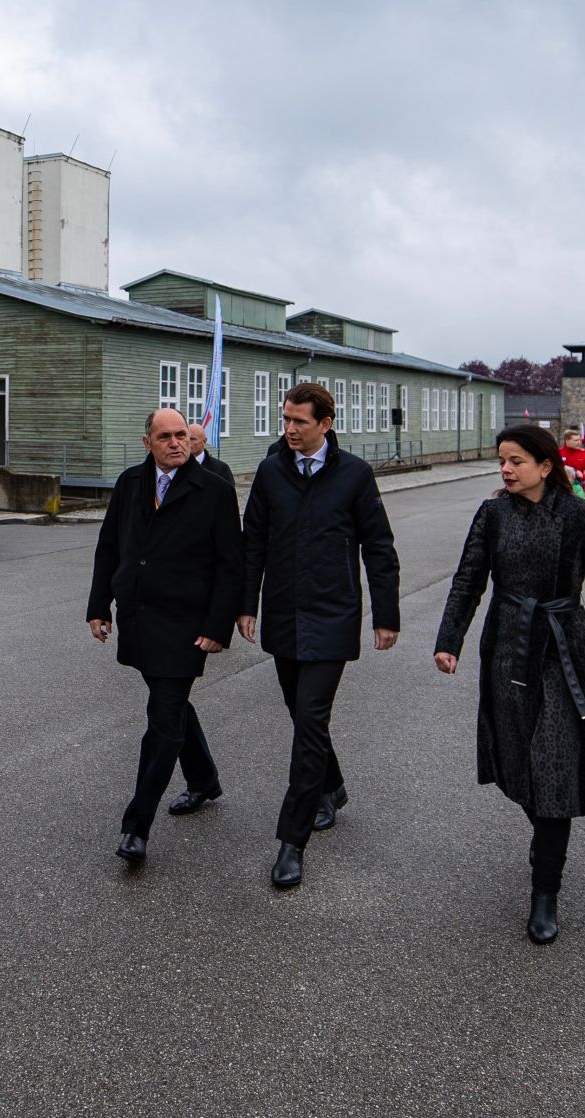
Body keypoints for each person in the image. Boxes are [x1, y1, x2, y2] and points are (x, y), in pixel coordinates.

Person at [433, 425, 585, 945]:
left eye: (516, 461)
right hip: (508, 647)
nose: (506, 469)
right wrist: (449, 639)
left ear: (545, 466)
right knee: (517, 757)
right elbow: (468, 579)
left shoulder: (582, 518)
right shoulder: (492, 515)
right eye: (502, 461)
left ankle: (545, 889)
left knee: (557, 762)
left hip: (564, 651)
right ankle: (543, 823)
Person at [237, 381, 400, 889]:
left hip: (332, 617)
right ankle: (331, 785)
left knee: (309, 719)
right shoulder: (270, 472)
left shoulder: (354, 475)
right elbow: (253, 544)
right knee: (299, 714)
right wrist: (246, 606)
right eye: (285, 420)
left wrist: (386, 614)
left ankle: (292, 840)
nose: (288, 429)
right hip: (285, 615)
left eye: (299, 422)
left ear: (325, 424)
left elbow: (378, 546)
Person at [88, 407, 243, 865]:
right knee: (169, 701)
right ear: (147, 443)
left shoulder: (213, 489)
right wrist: (100, 606)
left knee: (162, 719)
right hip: (138, 616)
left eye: (182, 436)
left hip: (185, 625)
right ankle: (204, 780)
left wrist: (218, 627)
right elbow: (109, 546)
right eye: (166, 437)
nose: (177, 443)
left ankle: (136, 827)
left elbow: (231, 564)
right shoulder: (129, 483)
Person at [187, 422, 238, 491]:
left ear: (204, 441)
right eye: (186, 439)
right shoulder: (177, 465)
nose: (188, 443)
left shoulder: (221, 469)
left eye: (192, 439)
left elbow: (228, 496)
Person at [560, 429, 585, 496]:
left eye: (579, 440)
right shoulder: (558, 453)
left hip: (579, 489)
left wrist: (583, 475)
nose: (579, 442)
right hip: (560, 489)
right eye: (576, 440)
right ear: (567, 441)